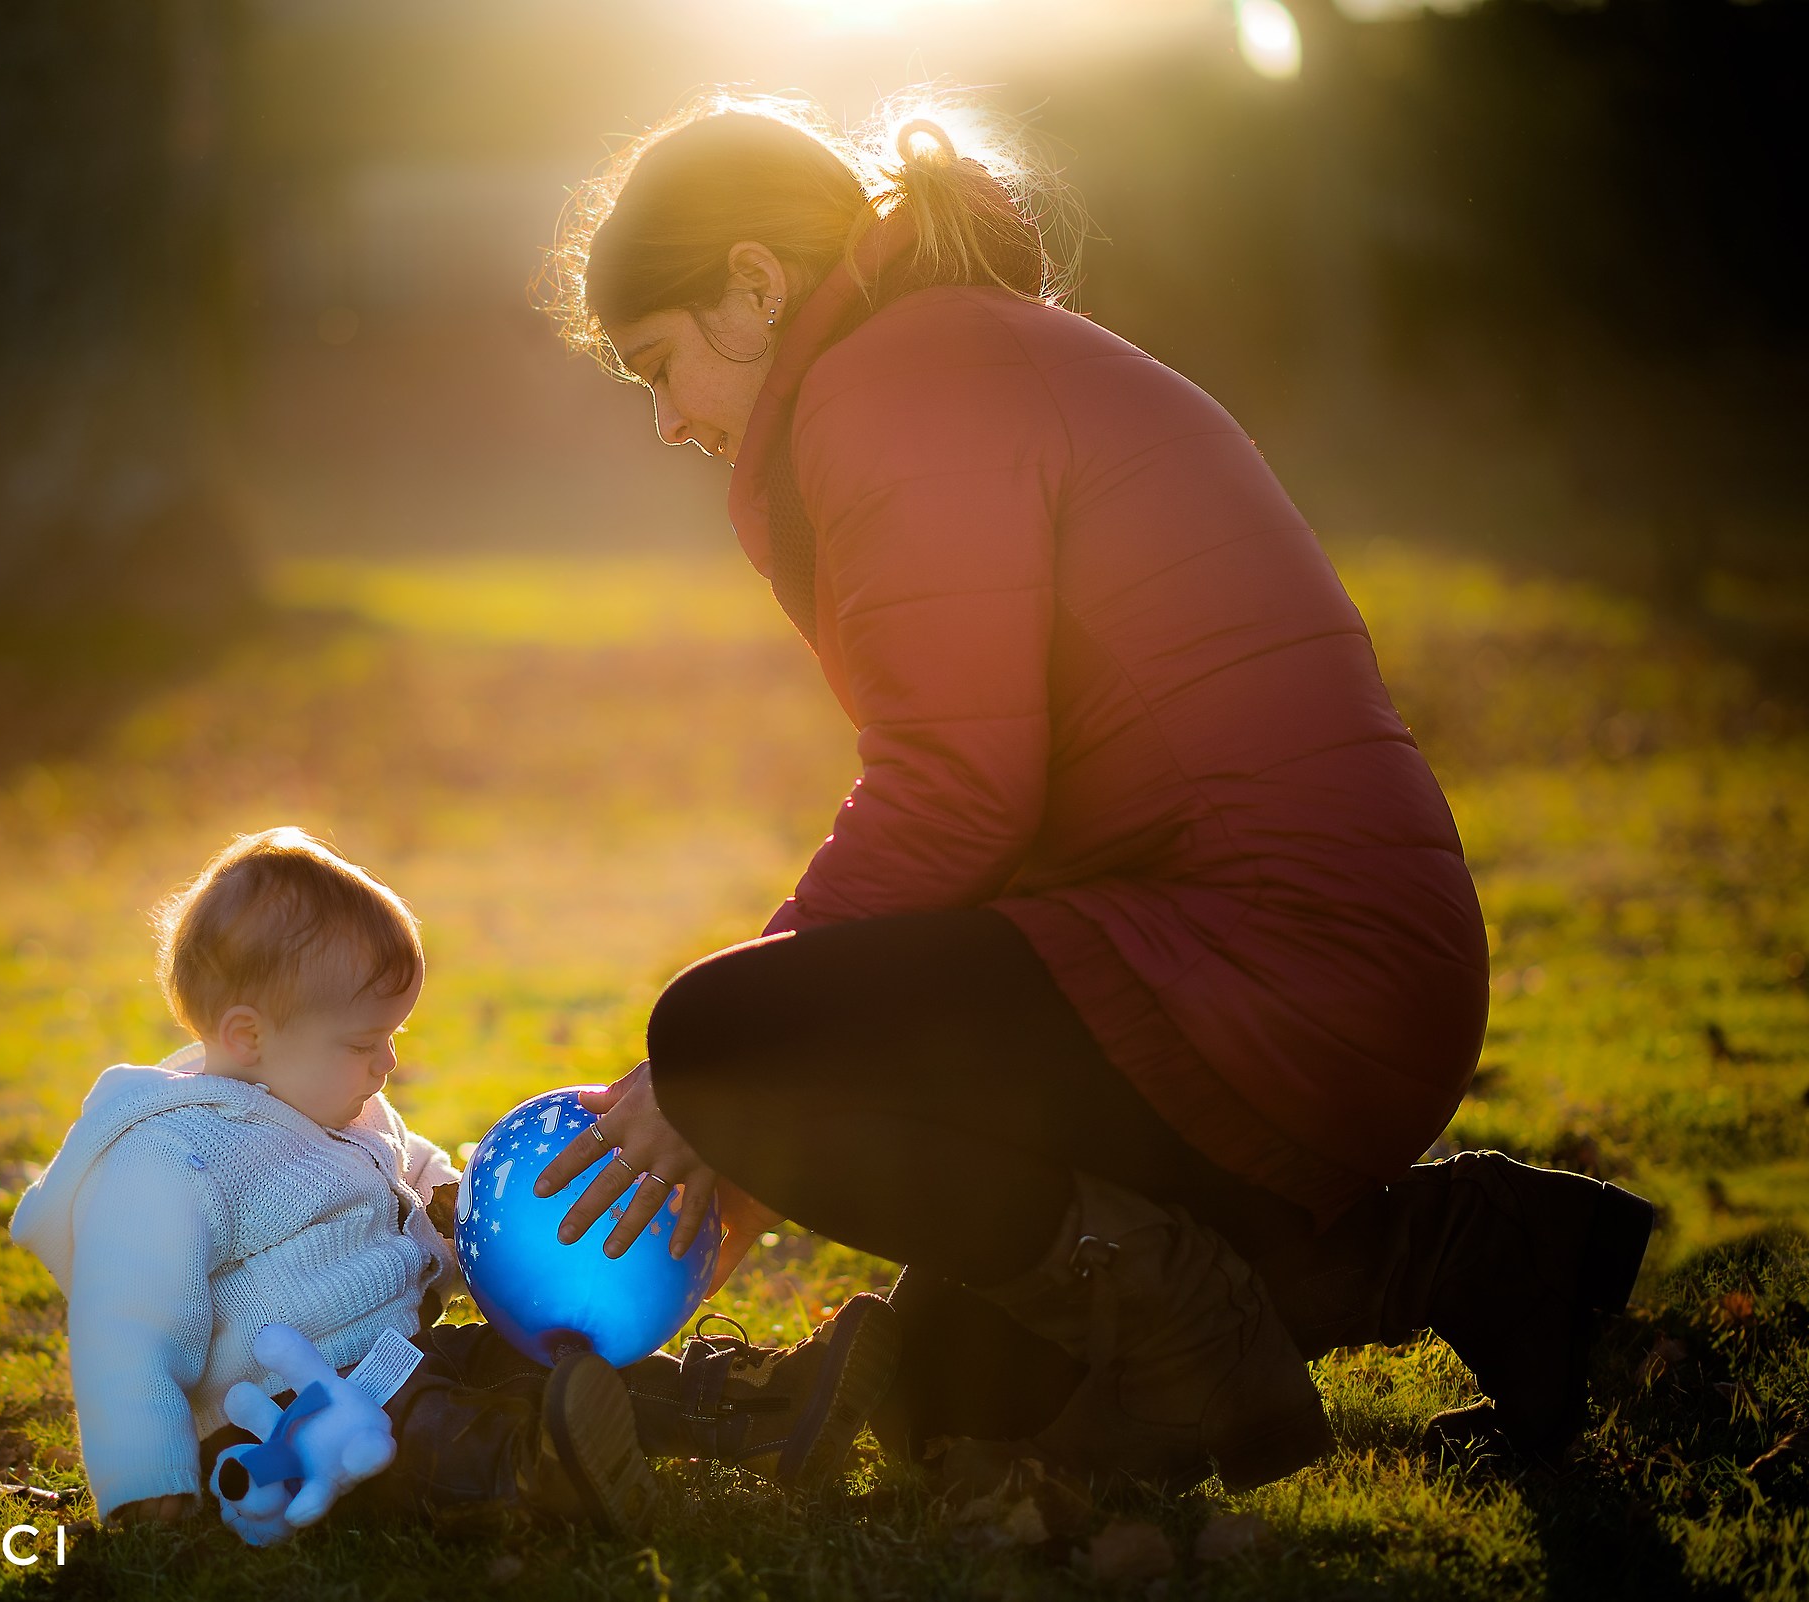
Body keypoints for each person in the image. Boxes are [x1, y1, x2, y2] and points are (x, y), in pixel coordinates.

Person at [533, 93, 1656, 1491]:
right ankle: (1473, 1253)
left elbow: (957, 799)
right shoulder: (931, 358)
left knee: (712, 1031)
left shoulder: (902, 384)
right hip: (1244, 962)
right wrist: (743, 1167)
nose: (665, 423)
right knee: (957, 1406)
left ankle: (1189, 1326)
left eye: (658, 366)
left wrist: (712, 1088)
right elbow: (996, 827)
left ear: (755, 287)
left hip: (1283, 968)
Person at [7, 826, 899, 1538]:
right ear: (247, 1035)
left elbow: (418, 1176)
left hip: (392, 1358)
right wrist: (145, 1487)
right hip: (280, 1421)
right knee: (425, 1431)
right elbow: (124, 1332)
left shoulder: (339, 1108)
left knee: (531, 1360)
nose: (387, 1064)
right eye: (364, 1044)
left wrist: (462, 1206)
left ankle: (753, 1411)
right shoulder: (169, 1161)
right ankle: (537, 1472)